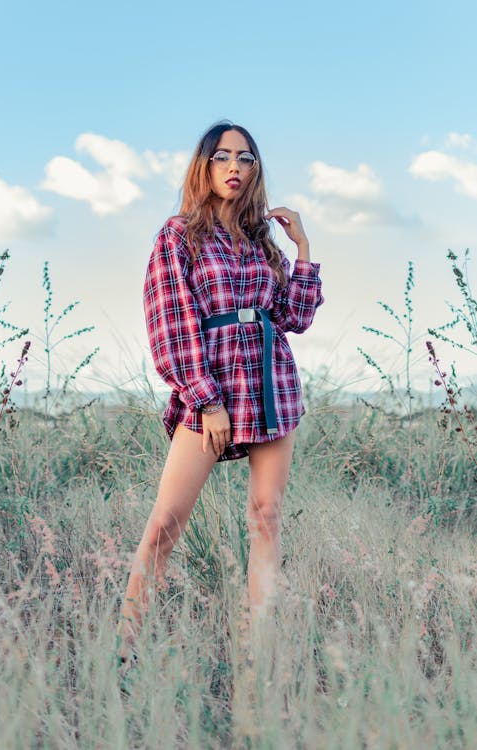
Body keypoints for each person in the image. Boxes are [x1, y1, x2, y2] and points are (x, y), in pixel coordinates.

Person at [118, 121, 324, 658]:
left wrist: (301, 248)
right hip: (212, 385)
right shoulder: (178, 234)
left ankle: (260, 650)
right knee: (165, 521)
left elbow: (294, 317)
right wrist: (205, 399)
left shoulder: (263, 243)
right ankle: (123, 646)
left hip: (269, 381)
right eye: (224, 156)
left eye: (247, 158)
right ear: (205, 166)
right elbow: (170, 322)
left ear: (255, 170)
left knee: (265, 516)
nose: (235, 167)